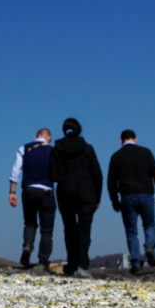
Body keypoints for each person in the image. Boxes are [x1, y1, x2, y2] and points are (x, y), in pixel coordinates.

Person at [106, 129, 155, 274]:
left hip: (127, 197)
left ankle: (135, 262)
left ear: (121, 141)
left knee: (131, 231)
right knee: (149, 224)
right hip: (146, 194)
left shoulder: (116, 156)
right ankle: (149, 246)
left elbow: (111, 183)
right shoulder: (146, 153)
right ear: (136, 139)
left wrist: (115, 202)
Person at [49, 118, 103, 277]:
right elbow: (98, 175)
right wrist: (98, 197)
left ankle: (71, 264)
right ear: (79, 130)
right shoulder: (87, 149)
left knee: (69, 230)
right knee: (84, 230)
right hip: (87, 194)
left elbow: (53, 176)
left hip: (65, 193)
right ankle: (82, 265)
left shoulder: (56, 150)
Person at [8, 128, 55, 269]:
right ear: (49, 138)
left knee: (30, 223)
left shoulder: (24, 148)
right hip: (46, 190)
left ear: (35, 137)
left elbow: (15, 171)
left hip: (28, 190)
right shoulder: (53, 151)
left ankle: (28, 245)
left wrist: (12, 192)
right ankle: (43, 260)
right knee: (47, 229)